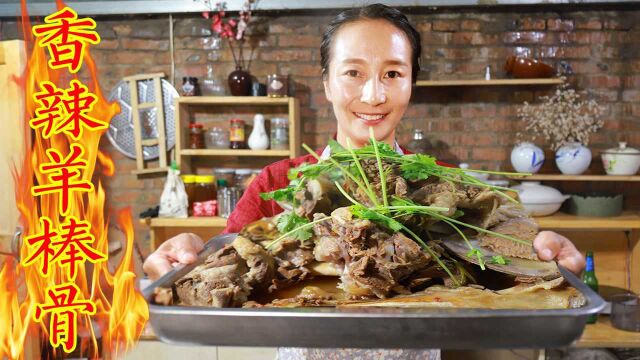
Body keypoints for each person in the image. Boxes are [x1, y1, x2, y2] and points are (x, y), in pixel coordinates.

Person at [144, 4, 585, 359]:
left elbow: (503, 272)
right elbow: (226, 258)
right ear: (328, 84)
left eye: (393, 73)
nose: (373, 95)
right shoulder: (279, 181)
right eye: (353, 73)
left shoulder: (444, 190)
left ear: (411, 83)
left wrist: (540, 252)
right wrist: (183, 256)